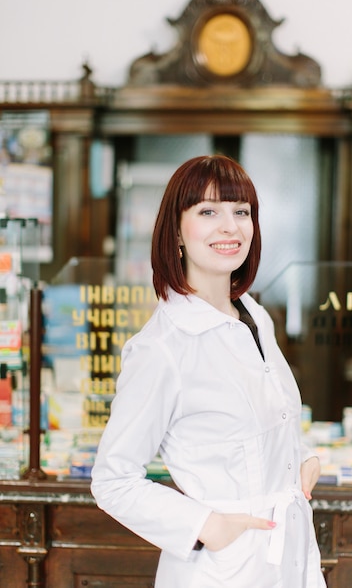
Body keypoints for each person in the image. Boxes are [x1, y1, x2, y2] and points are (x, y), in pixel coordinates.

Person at [91, 154, 326, 588]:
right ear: (176, 231)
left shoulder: (253, 315)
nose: (230, 227)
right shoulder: (161, 347)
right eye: (208, 212)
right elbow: (113, 480)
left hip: (288, 556)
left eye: (241, 212)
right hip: (222, 569)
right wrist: (208, 525)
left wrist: (301, 454)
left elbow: (255, 419)